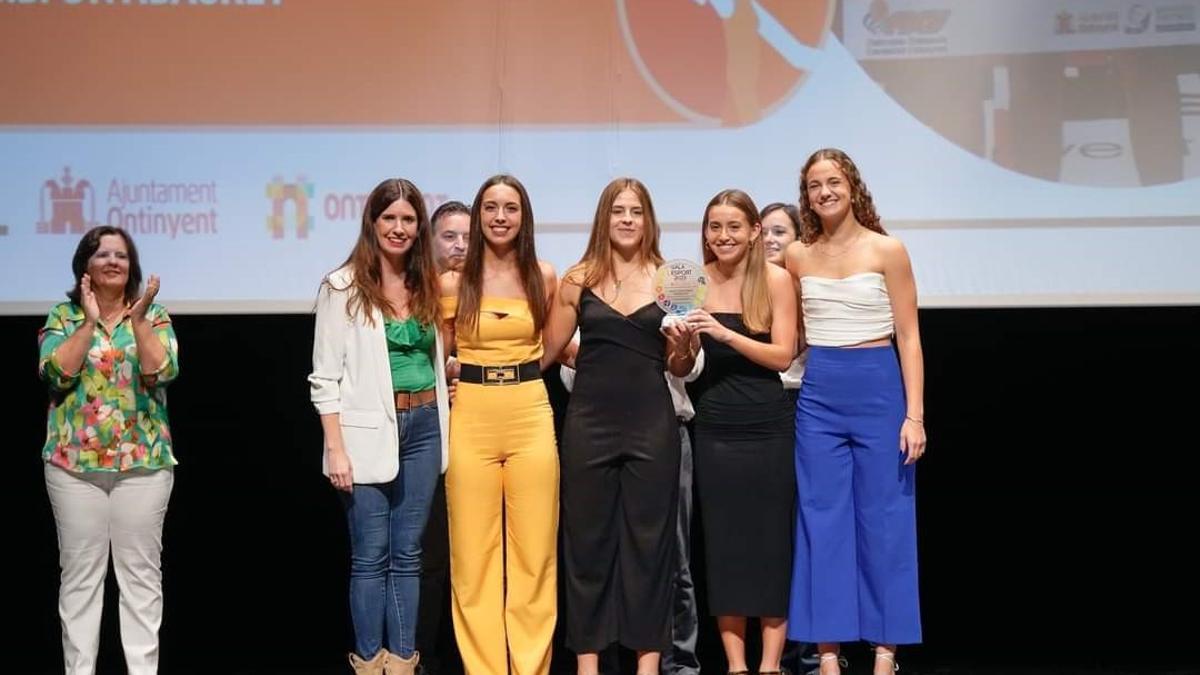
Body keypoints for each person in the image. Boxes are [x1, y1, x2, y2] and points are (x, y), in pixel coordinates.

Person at [541, 178, 694, 675]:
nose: (627, 220)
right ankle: (589, 663)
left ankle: (646, 663)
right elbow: (546, 350)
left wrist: (683, 344)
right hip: (589, 422)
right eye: (618, 211)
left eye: (636, 212)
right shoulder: (577, 279)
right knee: (586, 543)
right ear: (603, 219)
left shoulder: (674, 278)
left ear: (649, 220)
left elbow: (679, 366)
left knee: (650, 546)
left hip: (652, 423)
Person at [784, 149, 926, 675]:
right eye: (815, 184)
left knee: (886, 519)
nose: (825, 191)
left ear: (852, 186)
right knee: (822, 520)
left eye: (834, 181)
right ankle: (827, 652)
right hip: (820, 391)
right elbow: (789, 333)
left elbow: (909, 337)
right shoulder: (797, 256)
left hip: (879, 388)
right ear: (807, 195)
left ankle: (885, 651)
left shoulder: (888, 250)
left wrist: (915, 415)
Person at [309, 178, 451, 675]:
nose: (399, 228)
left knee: (409, 554)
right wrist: (336, 450)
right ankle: (370, 663)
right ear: (372, 223)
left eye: (408, 219)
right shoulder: (342, 286)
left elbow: (435, 356)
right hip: (366, 433)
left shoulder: (427, 282)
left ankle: (404, 662)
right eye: (389, 218)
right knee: (371, 556)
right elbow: (323, 378)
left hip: (426, 426)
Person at [39, 225, 179, 675]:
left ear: (132, 266)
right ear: (86, 265)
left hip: (143, 465)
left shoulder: (153, 316)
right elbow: (57, 374)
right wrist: (88, 321)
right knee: (80, 580)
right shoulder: (63, 315)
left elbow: (163, 371)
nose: (113, 261)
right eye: (103, 255)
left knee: (141, 580)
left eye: (121, 255)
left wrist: (137, 322)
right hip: (73, 468)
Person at [439, 175, 559, 675]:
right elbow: (439, 353)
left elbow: (555, 346)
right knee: (473, 561)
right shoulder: (451, 281)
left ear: (524, 216)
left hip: (530, 410)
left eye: (510, 208)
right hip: (472, 414)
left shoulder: (544, 275)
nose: (500, 217)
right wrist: (453, 375)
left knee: (535, 557)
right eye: (490, 207)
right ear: (477, 215)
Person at [684, 189, 797, 675]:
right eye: (714, 226)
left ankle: (769, 665)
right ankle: (736, 665)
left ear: (754, 231)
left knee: (772, 545)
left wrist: (727, 334)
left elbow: (783, 355)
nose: (722, 236)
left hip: (769, 425)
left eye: (733, 226)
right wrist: (682, 344)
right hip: (714, 426)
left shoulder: (776, 280)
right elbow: (681, 366)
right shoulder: (690, 282)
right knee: (725, 547)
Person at [419, 199, 471, 675]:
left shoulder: (489, 293)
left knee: (471, 557)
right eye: (449, 237)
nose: (459, 246)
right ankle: (423, 657)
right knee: (430, 555)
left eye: (467, 238)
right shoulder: (415, 295)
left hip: (478, 432)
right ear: (431, 242)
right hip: (425, 436)